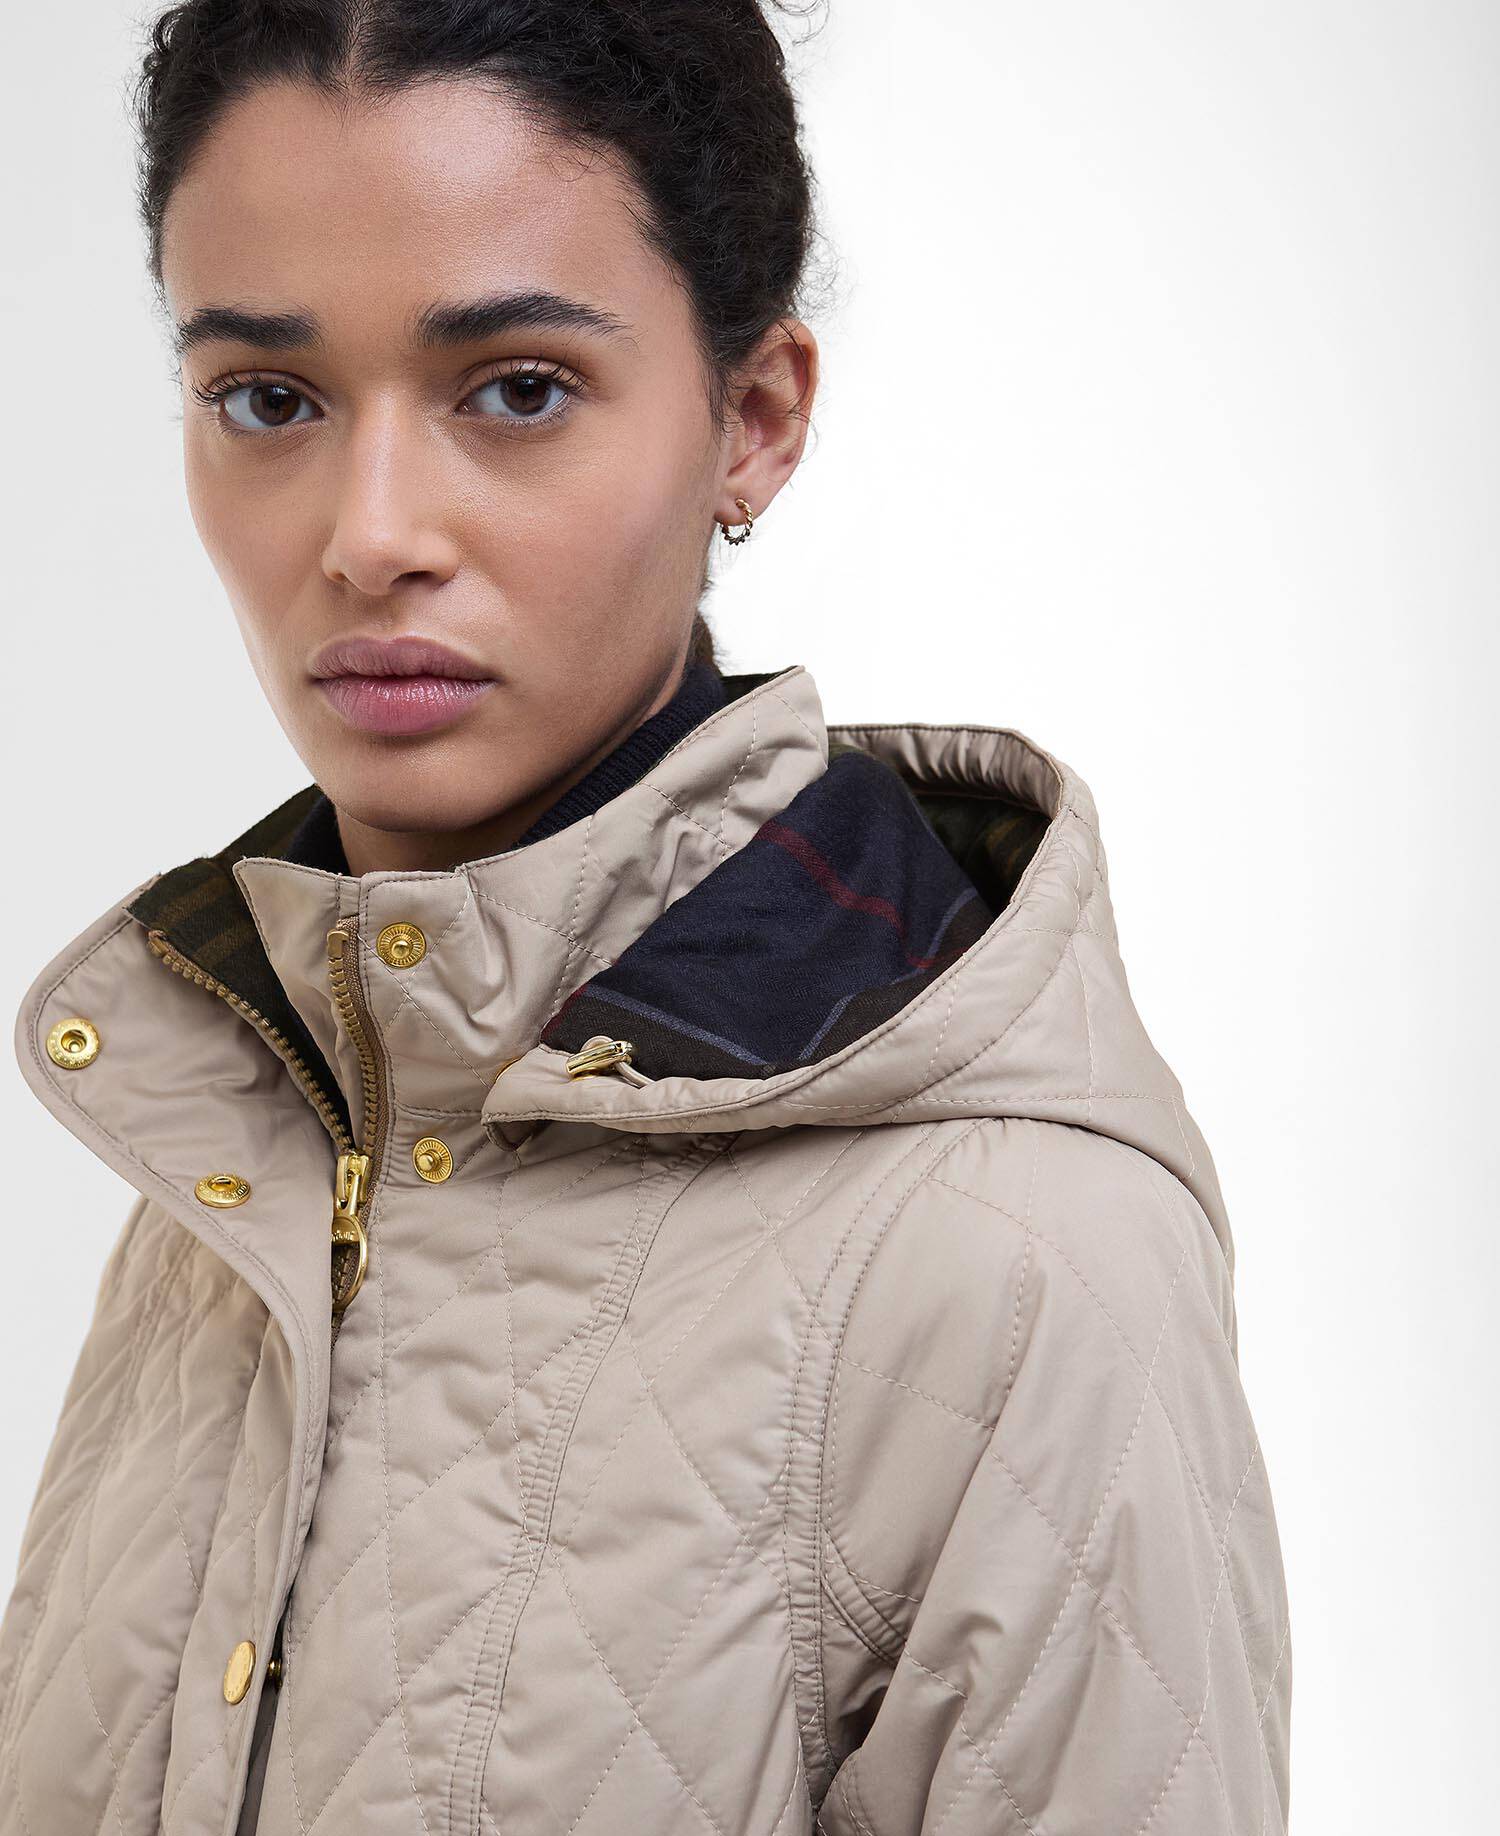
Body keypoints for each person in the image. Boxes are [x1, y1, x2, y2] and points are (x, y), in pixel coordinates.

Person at [0, 3, 1292, 1831]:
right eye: (269, 400)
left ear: (753, 420)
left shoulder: (1015, 1262)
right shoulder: (245, 1150)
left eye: (516, 388)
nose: (369, 533)